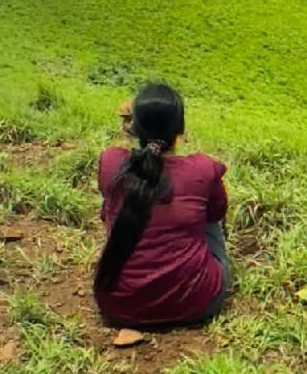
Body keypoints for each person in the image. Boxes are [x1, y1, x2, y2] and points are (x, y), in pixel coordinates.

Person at [94, 83, 230, 329]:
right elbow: (217, 213)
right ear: (180, 130)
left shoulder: (111, 163)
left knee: (116, 205)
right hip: (196, 302)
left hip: (117, 306)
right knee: (210, 215)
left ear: (134, 127)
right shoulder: (202, 169)